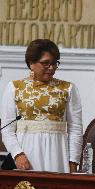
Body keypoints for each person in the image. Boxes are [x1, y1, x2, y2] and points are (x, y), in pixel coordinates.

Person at [0, 39, 83, 173]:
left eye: (54, 63)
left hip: (58, 155)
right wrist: (18, 154)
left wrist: (73, 162)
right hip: (26, 155)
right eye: (45, 63)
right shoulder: (14, 87)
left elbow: (76, 130)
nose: (51, 68)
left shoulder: (68, 88)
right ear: (31, 63)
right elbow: (7, 130)